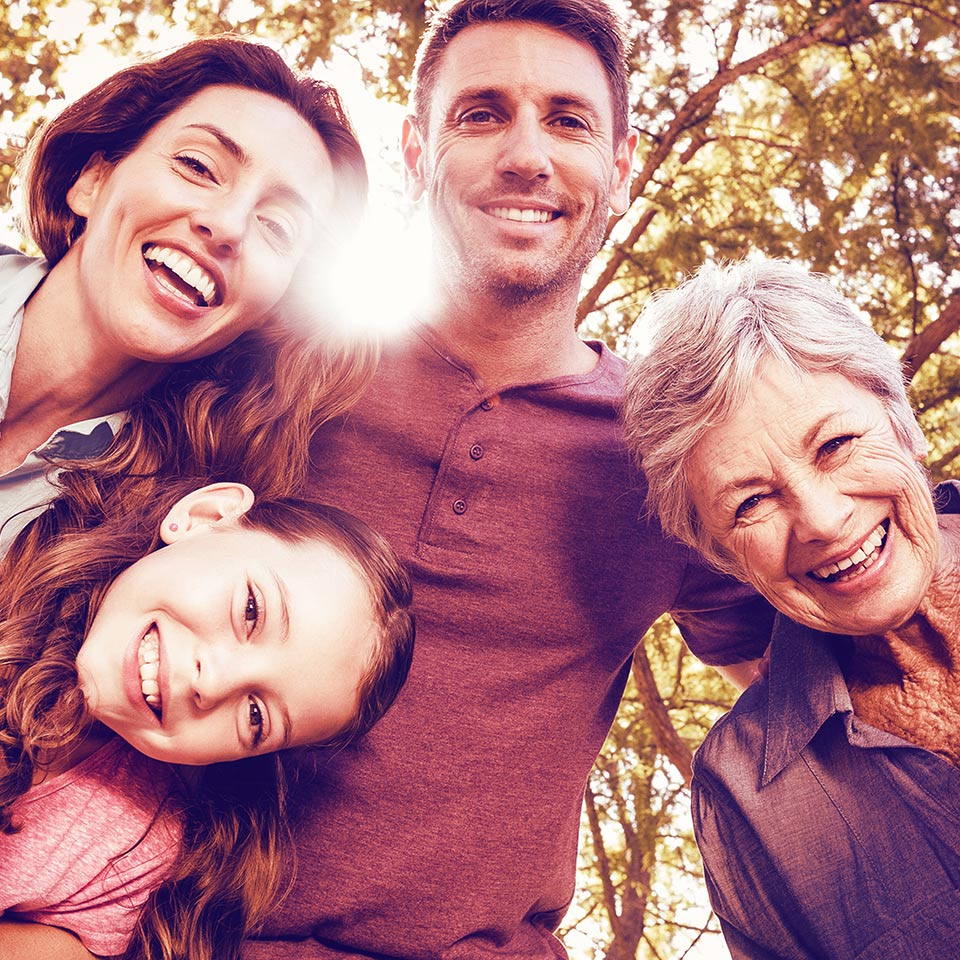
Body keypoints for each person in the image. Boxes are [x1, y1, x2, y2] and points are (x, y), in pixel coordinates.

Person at [245, 2, 775, 957]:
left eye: (568, 119)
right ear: (415, 149)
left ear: (618, 168)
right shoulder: (277, 365)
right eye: (482, 113)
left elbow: (822, 683)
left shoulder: (668, 457)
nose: (527, 154)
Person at [622, 258, 960, 959]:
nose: (825, 521)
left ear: (903, 426)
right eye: (750, 503)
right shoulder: (748, 796)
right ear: (721, 555)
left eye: (836, 445)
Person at [1, 472, 415, 960]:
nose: (211, 683)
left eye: (257, 716)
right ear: (203, 518)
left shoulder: (131, 844)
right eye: (251, 611)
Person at [0, 34, 371, 553]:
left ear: (273, 309)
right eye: (198, 166)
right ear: (92, 179)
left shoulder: (170, 536)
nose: (228, 226)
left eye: (279, 227)